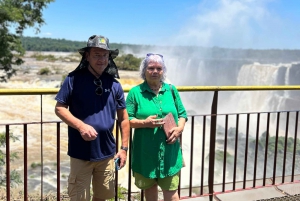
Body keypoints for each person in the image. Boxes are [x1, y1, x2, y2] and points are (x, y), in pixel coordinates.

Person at [54, 35, 130, 201]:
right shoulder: (73, 79)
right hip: (81, 154)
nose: (101, 59)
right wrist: (81, 126)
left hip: (107, 154)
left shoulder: (114, 84)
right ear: (87, 56)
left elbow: (124, 118)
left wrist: (124, 149)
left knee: (103, 197)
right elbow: (60, 108)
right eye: (96, 54)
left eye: (104, 55)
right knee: (79, 198)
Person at [125, 53, 187, 201]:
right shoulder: (135, 92)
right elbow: (127, 119)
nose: (155, 71)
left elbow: (183, 114)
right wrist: (144, 123)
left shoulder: (171, 90)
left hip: (169, 153)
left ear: (163, 71)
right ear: (144, 70)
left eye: (159, 68)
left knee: (172, 193)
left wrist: (179, 129)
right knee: (150, 192)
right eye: (151, 68)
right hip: (146, 152)